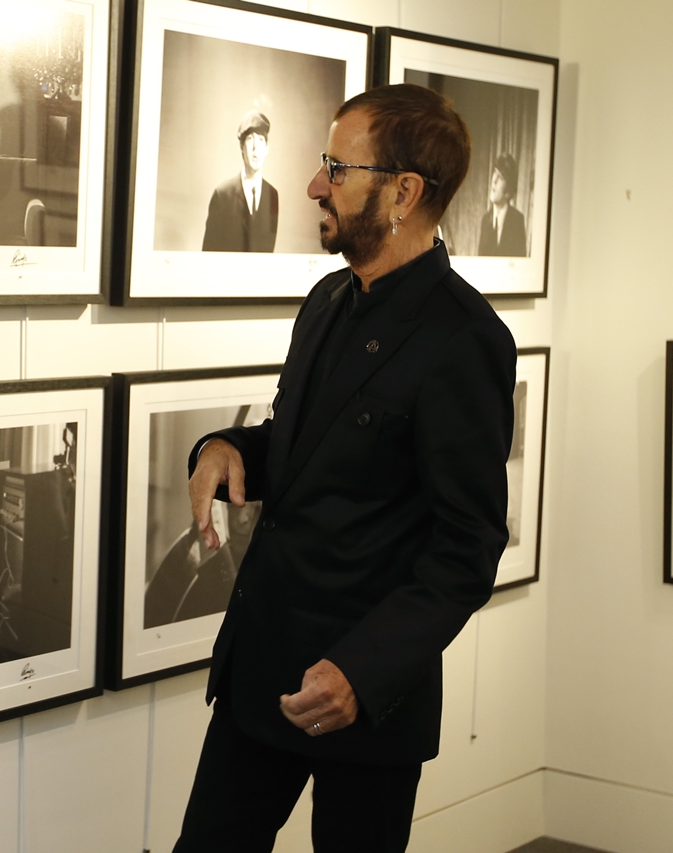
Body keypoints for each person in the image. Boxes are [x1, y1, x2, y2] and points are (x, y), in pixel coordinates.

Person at [174, 83, 516, 852]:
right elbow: (303, 449)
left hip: (365, 696)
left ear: (403, 192)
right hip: (263, 666)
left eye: (337, 166)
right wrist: (226, 451)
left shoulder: (465, 340)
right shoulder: (327, 299)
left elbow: (467, 549)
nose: (314, 185)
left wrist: (362, 669)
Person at [202, 110, 280, 253]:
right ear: (242, 147)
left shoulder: (272, 195)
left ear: (267, 149)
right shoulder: (222, 194)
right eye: (250, 139)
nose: (256, 147)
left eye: (261, 140)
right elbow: (208, 255)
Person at [476, 153, 527, 256]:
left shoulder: (517, 221)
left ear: (508, 191)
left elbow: (520, 263)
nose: (494, 180)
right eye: (494, 173)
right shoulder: (485, 220)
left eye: (500, 177)